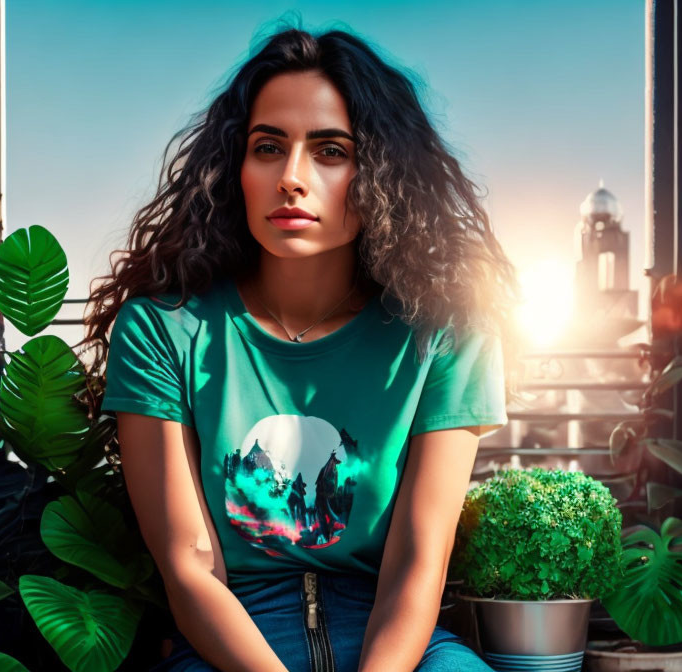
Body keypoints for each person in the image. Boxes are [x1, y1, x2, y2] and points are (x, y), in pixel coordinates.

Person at [83, 20, 522, 672]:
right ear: (235, 167)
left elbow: (415, 564)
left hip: (399, 647)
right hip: (230, 650)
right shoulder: (164, 331)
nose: (292, 177)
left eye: (330, 151)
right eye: (267, 147)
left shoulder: (445, 335)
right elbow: (190, 566)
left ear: (381, 172)